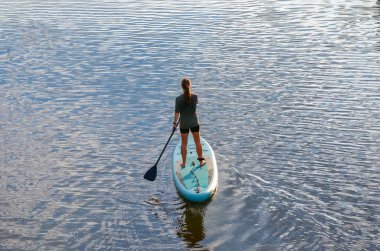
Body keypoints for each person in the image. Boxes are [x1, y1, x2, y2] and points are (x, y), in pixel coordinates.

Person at [173, 77, 206, 168]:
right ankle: (201, 162)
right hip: (194, 123)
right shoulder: (195, 97)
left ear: (181, 87)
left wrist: (174, 124)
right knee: (197, 142)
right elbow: (193, 107)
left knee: (184, 143)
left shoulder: (178, 99)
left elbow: (177, 113)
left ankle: (184, 163)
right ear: (190, 85)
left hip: (184, 124)